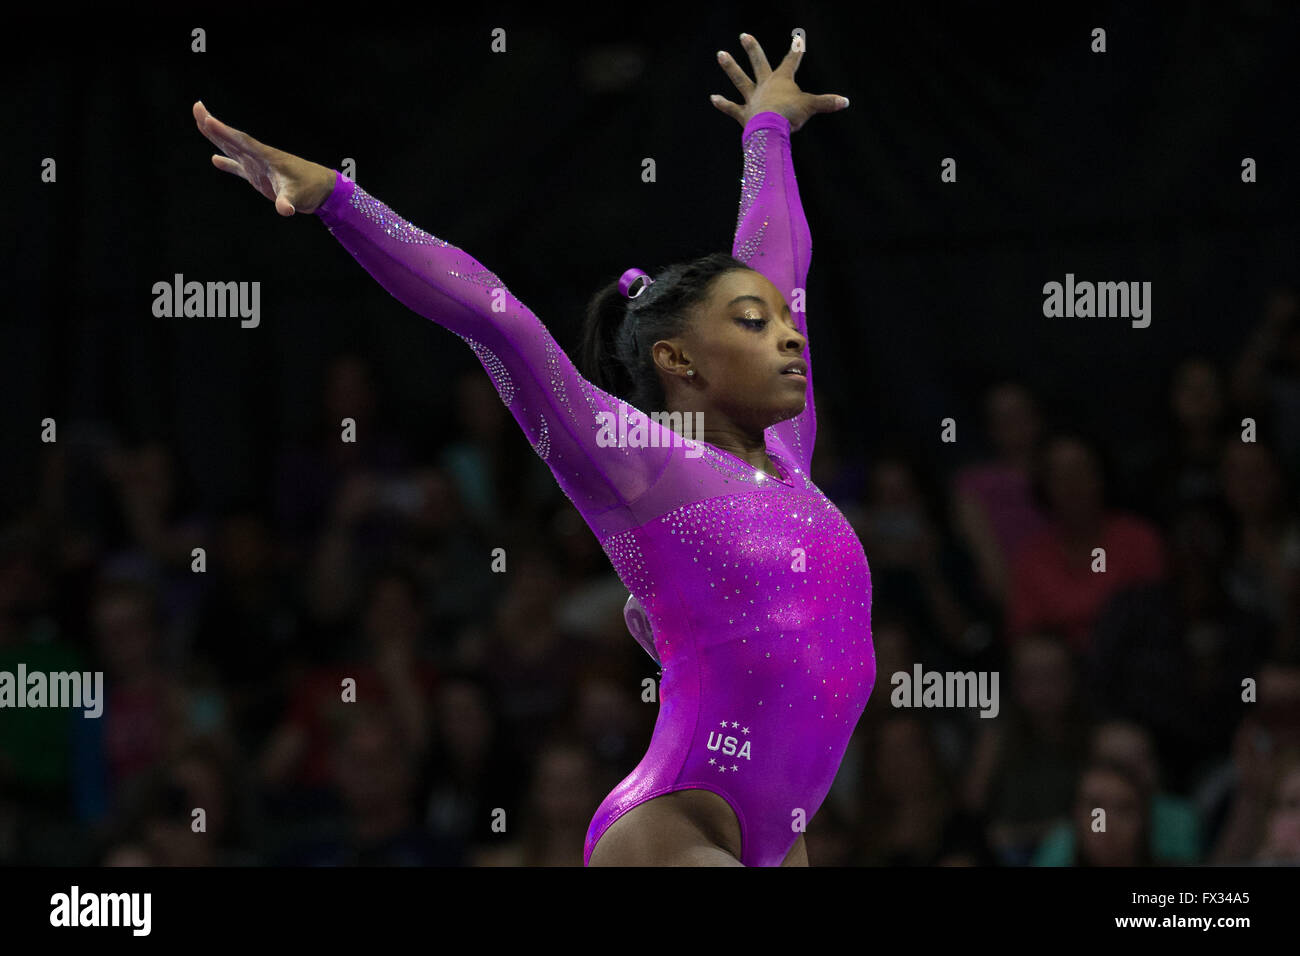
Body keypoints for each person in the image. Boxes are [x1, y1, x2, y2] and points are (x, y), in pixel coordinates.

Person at [193, 30, 867, 867]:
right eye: (753, 323)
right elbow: (497, 319)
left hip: (782, 836)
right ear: (677, 359)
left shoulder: (791, 460)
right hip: (676, 827)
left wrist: (766, 131)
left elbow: (780, 261)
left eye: (784, 322)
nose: (790, 337)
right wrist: (339, 200)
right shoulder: (641, 462)